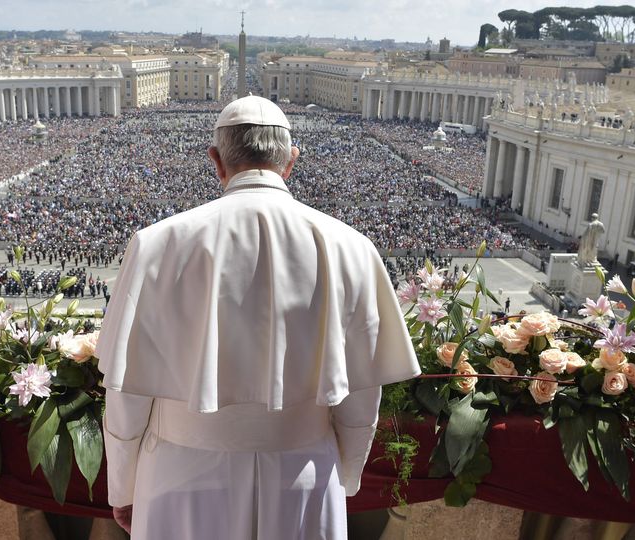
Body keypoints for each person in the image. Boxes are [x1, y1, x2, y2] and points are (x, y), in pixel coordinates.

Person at [97, 96, 421, 539]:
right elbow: (361, 395)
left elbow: (127, 393)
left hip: (181, 472)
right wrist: (345, 474)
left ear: (216, 160)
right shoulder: (353, 247)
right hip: (302, 472)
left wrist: (123, 486)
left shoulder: (156, 243)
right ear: (291, 160)